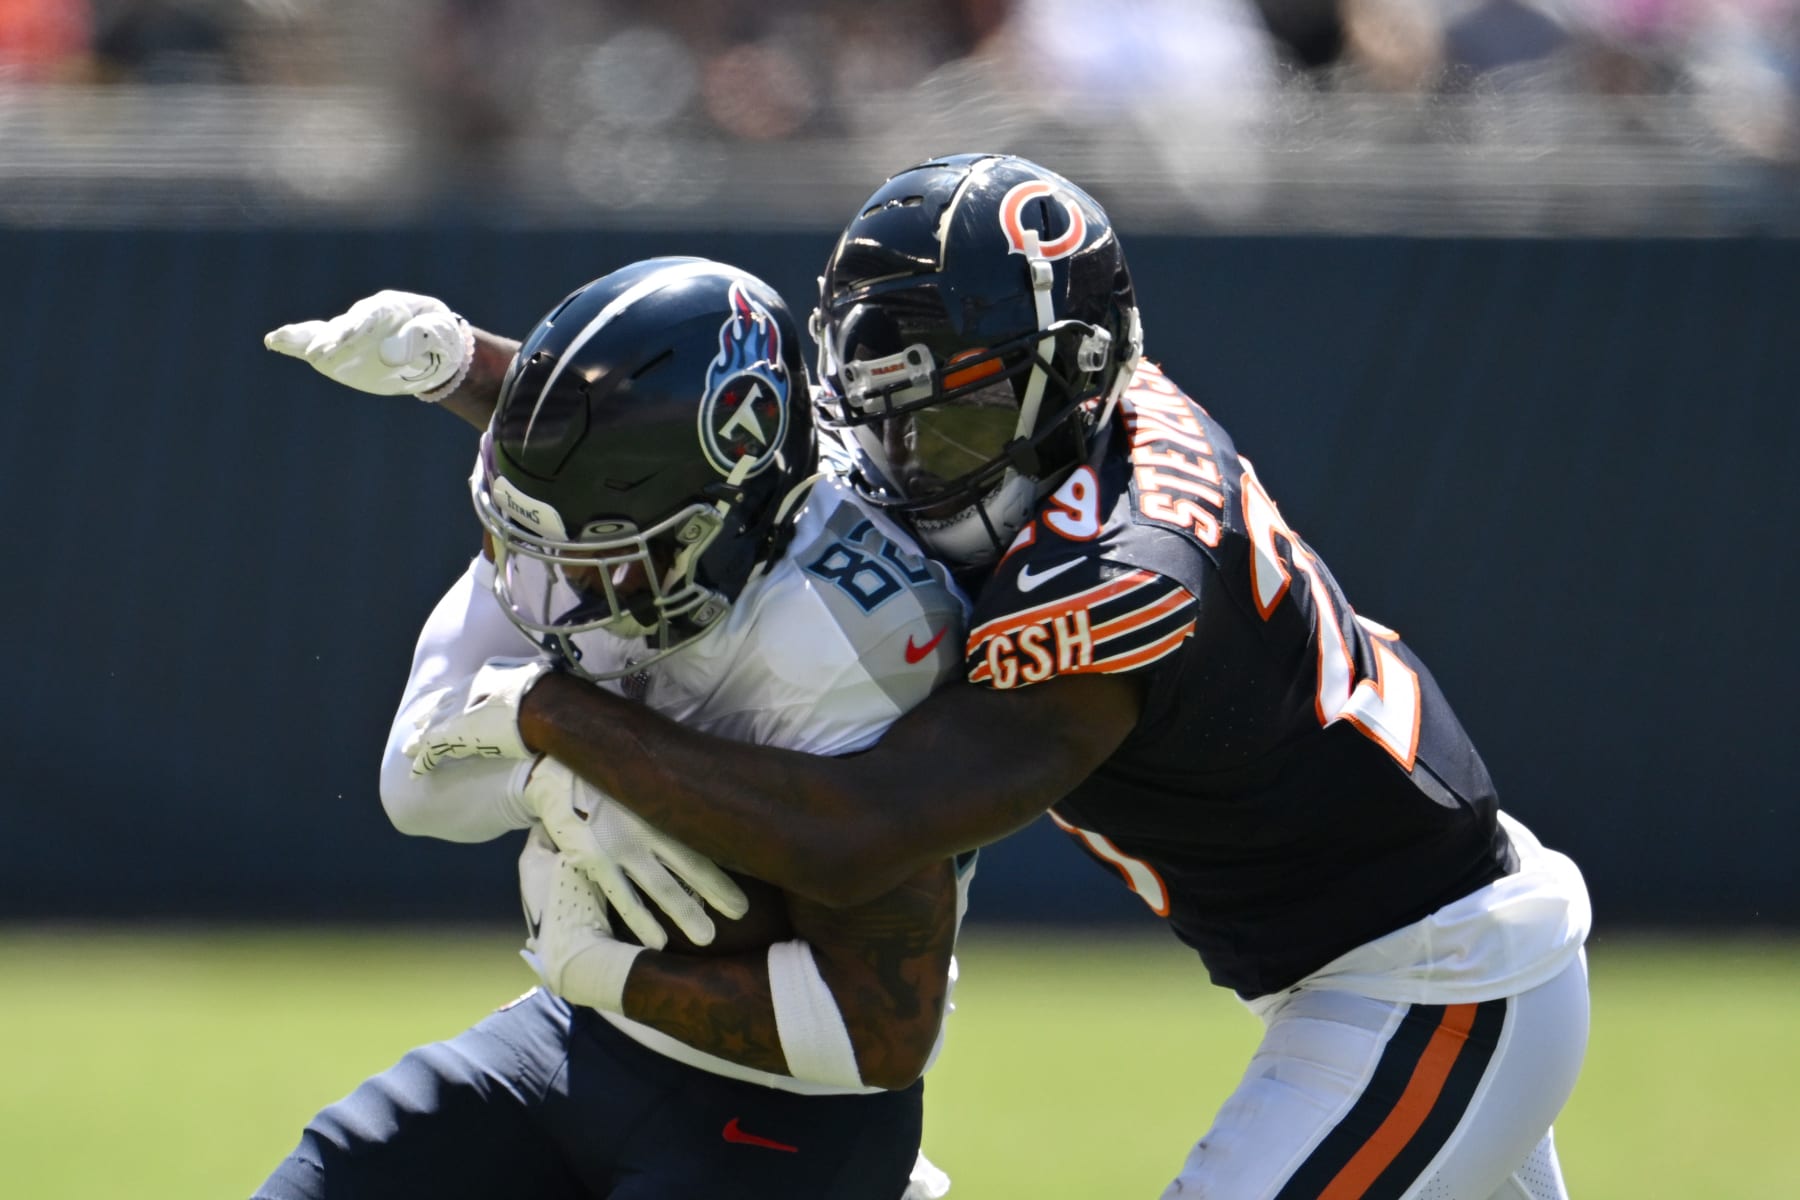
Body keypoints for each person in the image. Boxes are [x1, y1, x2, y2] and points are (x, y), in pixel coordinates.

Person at [284, 153, 1591, 1200]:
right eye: (874, 401)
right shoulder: (1032, 416)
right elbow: (721, 442)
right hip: (1372, 946)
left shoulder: (1122, 574)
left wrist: (547, 715)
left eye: (946, 419)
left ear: (1067, 386)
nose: (900, 457)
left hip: (1429, 977)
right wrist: (470, 370)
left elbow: (856, 836)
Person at [258, 258, 970, 1200]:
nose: (556, 590)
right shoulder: (580, 527)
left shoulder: (858, 642)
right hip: (571, 1042)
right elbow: (415, 782)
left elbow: (875, 1035)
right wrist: (546, 780)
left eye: (602, 555)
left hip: (790, 1118)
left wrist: (602, 965)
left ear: (724, 522)